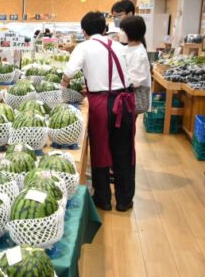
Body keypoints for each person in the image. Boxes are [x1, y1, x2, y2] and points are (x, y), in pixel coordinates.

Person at [61, 11, 135, 212]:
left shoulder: (83, 47)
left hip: (101, 103)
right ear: (105, 29)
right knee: (124, 151)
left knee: (101, 148)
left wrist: (63, 89)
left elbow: (69, 72)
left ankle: (102, 199)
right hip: (124, 101)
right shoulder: (120, 46)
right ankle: (124, 200)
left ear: (84, 31)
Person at [120, 15, 152, 112]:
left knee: (129, 123)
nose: (120, 33)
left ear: (130, 32)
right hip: (128, 95)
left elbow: (136, 81)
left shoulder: (139, 54)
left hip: (134, 97)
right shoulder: (127, 48)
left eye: (122, 30)